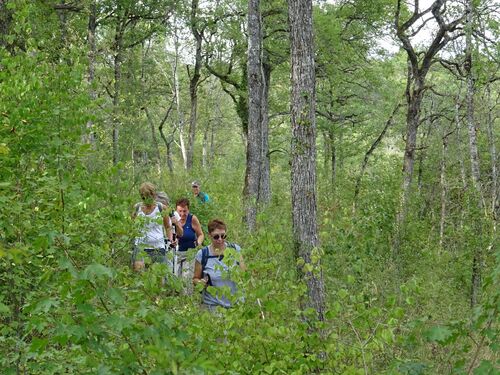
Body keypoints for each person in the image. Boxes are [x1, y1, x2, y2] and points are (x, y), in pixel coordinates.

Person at [193, 219, 246, 309]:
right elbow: (195, 279)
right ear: (209, 236)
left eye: (223, 236)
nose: (220, 239)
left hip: (236, 305)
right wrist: (200, 282)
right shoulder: (202, 254)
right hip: (213, 306)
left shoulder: (235, 250)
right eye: (216, 237)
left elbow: (244, 274)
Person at [131, 182, 182, 272]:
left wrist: (170, 240)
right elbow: (132, 225)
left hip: (157, 247)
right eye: (144, 198)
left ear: (153, 195)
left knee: (158, 278)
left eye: (148, 197)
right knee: (139, 274)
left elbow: (167, 226)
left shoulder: (161, 208)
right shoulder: (137, 208)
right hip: (140, 246)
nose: (146, 200)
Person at [175, 198, 204, 276]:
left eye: (185, 211)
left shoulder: (192, 219)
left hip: (189, 253)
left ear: (188, 210)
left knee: (187, 277)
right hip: (176, 254)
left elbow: (201, 234)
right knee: (176, 277)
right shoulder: (173, 220)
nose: (182, 214)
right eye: (180, 211)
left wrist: (198, 243)